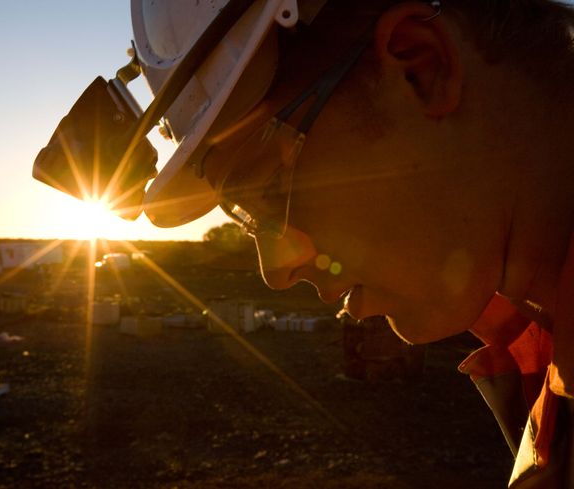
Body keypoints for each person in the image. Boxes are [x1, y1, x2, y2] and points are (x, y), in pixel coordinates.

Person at [38, 0, 574, 486]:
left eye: (271, 189)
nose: (276, 273)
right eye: (244, 214)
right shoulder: (545, 370)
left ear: (421, 69)